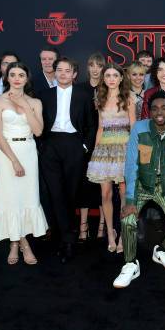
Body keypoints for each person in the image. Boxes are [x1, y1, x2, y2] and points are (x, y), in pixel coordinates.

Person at [113, 91, 165, 288]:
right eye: (155, 108)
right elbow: (131, 166)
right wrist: (130, 200)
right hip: (141, 185)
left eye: (164, 107)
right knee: (128, 220)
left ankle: (163, 251)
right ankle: (131, 264)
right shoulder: (139, 129)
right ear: (149, 110)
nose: (159, 112)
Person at [0, 62, 48, 265]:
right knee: (10, 198)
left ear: (26, 79)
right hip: (6, 154)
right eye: (12, 74)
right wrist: (14, 161)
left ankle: (19, 241)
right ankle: (20, 244)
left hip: (29, 152)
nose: (16, 78)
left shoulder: (35, 102)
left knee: (26, 197)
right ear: (7, 77)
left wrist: (24, 106)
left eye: (21, 75)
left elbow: (39, 131)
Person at [39, 57, 96, 264]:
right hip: (51, 145)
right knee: (55, 193)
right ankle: (64, 239)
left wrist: (84, 148)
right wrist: (42, 146)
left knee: (71, 194)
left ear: (74, 74)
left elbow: (92, 125)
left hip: (74, 145)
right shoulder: (44, 95)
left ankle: (67, 240)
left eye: (67, 70)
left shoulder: (84, 95)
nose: (62, 74)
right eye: (59, 70)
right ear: (55, 73)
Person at [87, 63, 136, 253]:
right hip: (104, 150)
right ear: (103, 78)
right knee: (105, 194)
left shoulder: (129, 98)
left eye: (115, 75)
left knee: (124, 193)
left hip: (124, 147)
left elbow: (133, 127)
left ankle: (124, 234)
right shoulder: (99, 97)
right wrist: (95, 153)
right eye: (107, 75)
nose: (111, 79)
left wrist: (133, 154)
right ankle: (110, 233)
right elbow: (100, 127)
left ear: (121, 78)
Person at [76, 53, 105, 243]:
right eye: (92, 65)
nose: (95, 69)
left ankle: (103, 225)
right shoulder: (79, 89)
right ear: (87, 68)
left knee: (105, 185)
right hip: (85, 143)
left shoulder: (109, 87)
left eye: (99, 65)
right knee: (84, 185)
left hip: (105, 143)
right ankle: (83, 226)